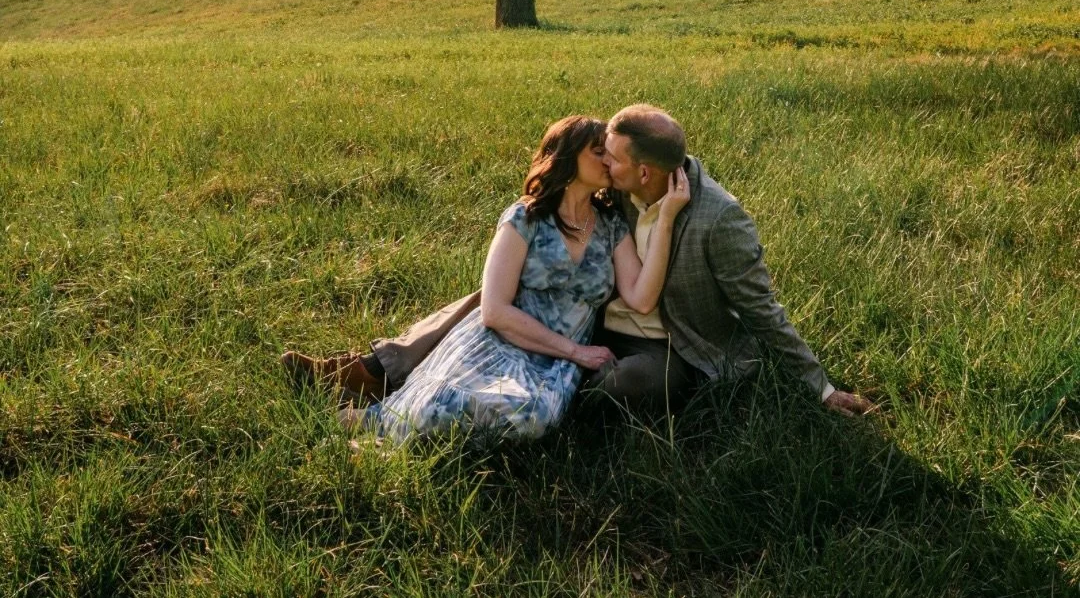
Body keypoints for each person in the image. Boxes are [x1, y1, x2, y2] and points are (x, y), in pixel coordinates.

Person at [284, 104, 870, 419]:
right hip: (589, 317)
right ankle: (380, 369)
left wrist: (819, 387)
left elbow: (761, 308)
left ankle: (532, 398)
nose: (604, 164)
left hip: (666, 341)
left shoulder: (718, 218)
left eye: (611, 158)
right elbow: (560, 194)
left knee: (624, 387)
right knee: (498, 295)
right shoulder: (610, 190)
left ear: (642, 171)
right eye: (601, 155)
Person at [324, 115, 690, 444]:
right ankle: (380, 422)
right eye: (598, 152)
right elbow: (494, 311)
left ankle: (390, 423)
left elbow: (641, 298)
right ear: (567, 157)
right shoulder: (524, 218)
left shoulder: (610, 225)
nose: (608, 161)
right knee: (450, 402)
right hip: (503, 341)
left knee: (531, 417)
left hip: (553, 362)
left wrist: (669, 216)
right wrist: (577, 352)